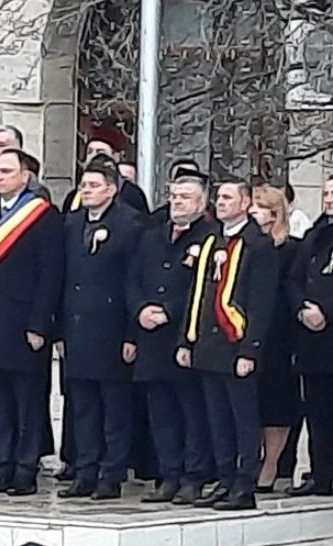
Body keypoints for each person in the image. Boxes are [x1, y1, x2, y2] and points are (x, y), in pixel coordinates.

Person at [0, 149, 63, 495]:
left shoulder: (42, 216)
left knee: (27, 401)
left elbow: (51, 275)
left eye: (5, 171)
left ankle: (25, 468)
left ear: (25, 176)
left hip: (22, 324)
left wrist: (39, 325)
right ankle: (1, 465)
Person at [177, 180, 278, 510]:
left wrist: (251, 350)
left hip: (236, 345)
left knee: (242, 419)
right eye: (218, 197)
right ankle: (223, 478)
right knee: (216, 419)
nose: (220, 203)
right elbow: (198, 296)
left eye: (227, 197)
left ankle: (243, 484)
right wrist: (186, 340)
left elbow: (261, 304)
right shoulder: (212, 240)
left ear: (246, 202)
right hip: (208, 345)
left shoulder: (257, 244)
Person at [129, 171, 216, 504]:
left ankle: (194, 476)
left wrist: (168, 310)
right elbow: (133, 277)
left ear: (202, 202)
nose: (178, 202)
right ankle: (169, 474)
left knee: (191, 411)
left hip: (183, 334)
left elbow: (201, 287)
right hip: (150, 335)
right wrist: (140, 309)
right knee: (161, 411)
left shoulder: (210, 237)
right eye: (175, 196)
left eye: (186, 197)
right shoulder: (153, 236)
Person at [57, 155, 140, 500]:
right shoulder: (72, 224)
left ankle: (112, 473)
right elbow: (63, 279)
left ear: (111, 189)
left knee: (113, 407)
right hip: (77, 327)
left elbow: (135, 281)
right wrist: (59, 331)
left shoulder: (131, 224)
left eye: (93, 186)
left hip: (111, 329)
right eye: (83, 185)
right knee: (83, 405)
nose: (86, 191)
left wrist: (131, 334)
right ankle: (85, 469)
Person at [248, 185, 300, 493]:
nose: (253, 211)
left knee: (275, 401)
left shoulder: (290, 249)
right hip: (248, 330)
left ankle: (271, 465)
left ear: (274, 213)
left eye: (259, 206)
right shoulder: (247, 245)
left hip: (279, 334)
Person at [288, 175, 333, 497]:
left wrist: (325, 312)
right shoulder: (316, 234)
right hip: (313, 340)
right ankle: (321, 473)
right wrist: (303, 308)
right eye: (327, 193)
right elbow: (294, 277)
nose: (328, 199)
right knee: (317, 410)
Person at [64, 126, 149, 214]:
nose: (93, 156)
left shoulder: (132, 195)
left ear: (117, 156)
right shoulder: (74, 197)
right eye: (90, 152)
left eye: (100, 152)